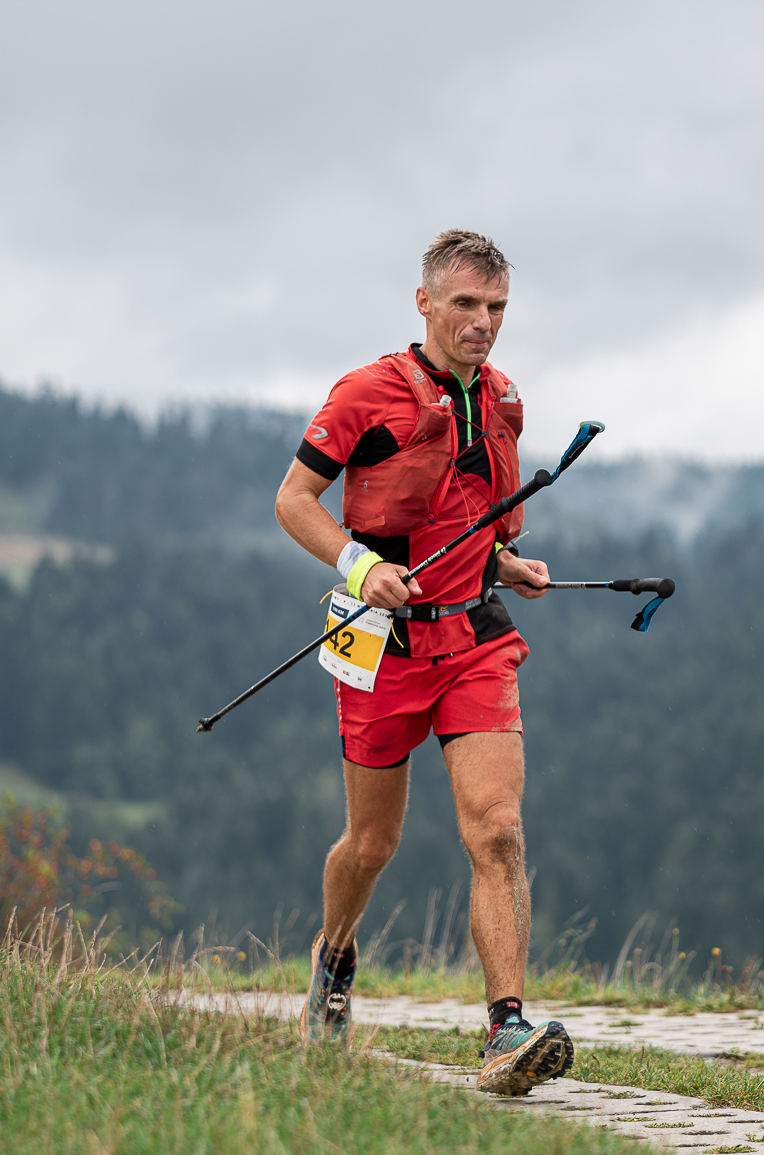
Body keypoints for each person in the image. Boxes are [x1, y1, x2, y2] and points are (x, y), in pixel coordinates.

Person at [274, 229, 574, 1096]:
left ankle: (507, 1027)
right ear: (425, 303)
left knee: (498, 826)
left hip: (475, 636)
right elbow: (294, 500)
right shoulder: (365, 392)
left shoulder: (503, 398)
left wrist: (505, 563)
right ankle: (334, 959)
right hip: (383, 644)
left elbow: (468, 518)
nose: (484, 322)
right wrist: (358, 565)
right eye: (467, 304)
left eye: (497, 307)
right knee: (372, 843)